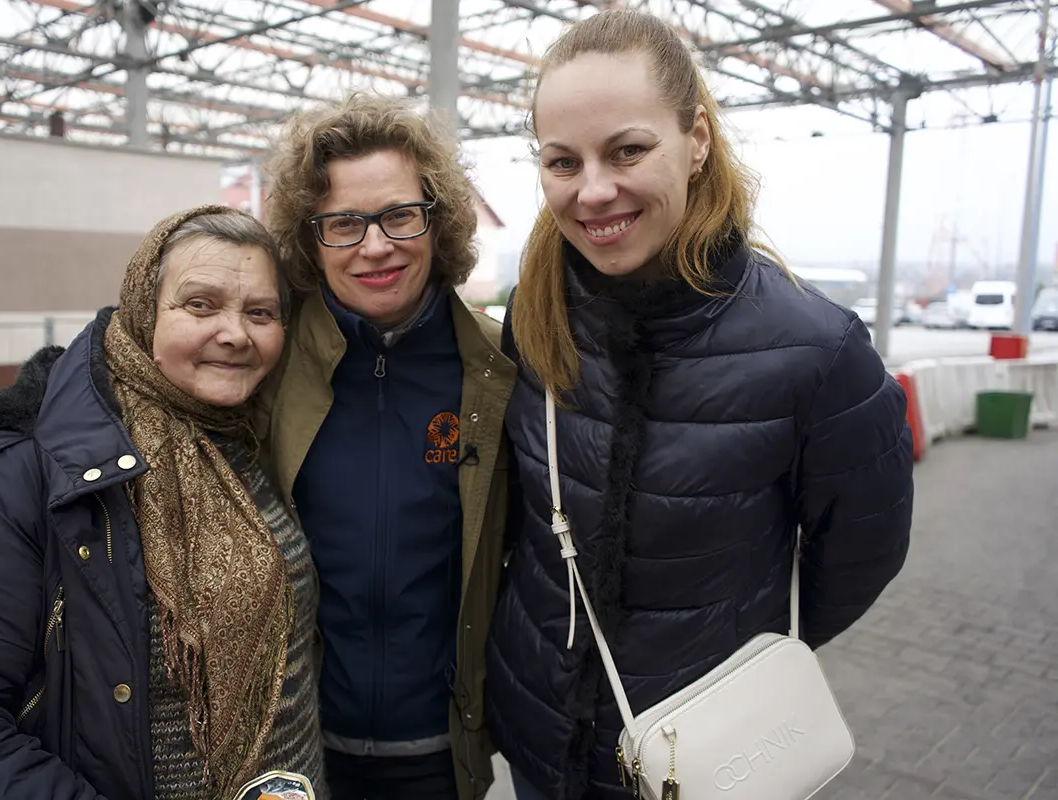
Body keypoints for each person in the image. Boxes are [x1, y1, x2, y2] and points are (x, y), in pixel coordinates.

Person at [486, 10, 914, 800]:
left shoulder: (817, 351)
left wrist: (736, 665)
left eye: (628, 150)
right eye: (561, 161)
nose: (593, 190)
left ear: (698, 143)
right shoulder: (536, 313)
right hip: (541, 736)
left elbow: (860, 554)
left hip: (703, 753)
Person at [0, 206, 328, 800]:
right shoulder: (16, 474)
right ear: (142, 309)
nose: (236, 333)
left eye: (260, 312)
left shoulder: (249, 441)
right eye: (200, 305)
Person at [260, 94, 517, 800]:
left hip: (441, 751)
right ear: (309, 239)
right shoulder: (265, 369)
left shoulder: (498, 372)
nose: (376, 246)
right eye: (343, 223)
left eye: (400, 215)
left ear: (438, 223)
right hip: (294, 746)